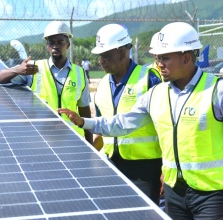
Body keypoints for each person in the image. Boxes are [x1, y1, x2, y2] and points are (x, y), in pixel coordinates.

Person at [58, 22, 223, 220]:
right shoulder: (156, 94)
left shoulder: (216, 91)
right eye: (157, 58)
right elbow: (123, 123)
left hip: (211, 194)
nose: (159, 63)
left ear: (186, 57)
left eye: (165, 58)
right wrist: (85, 122)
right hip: (174, 193)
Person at [91, 23, 163, 205]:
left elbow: (166, 127)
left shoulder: (150, 79)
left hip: (146, 170)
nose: (101, 61)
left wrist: (165, 169)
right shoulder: (102, 85)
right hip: (111, 166)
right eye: (100, 56)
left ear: (122, 53)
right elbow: (101, 127)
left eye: (106, 56)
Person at [0, 21, 93, 144]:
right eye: (51, 43)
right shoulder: (33, 68)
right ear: (47, 46)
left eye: (60, 42)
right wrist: (17, 69)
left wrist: (91, 146)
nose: (55, 46)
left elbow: (85, 111)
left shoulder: (80, 73)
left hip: (72, 138)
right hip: (42, 138)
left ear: (67, 44)